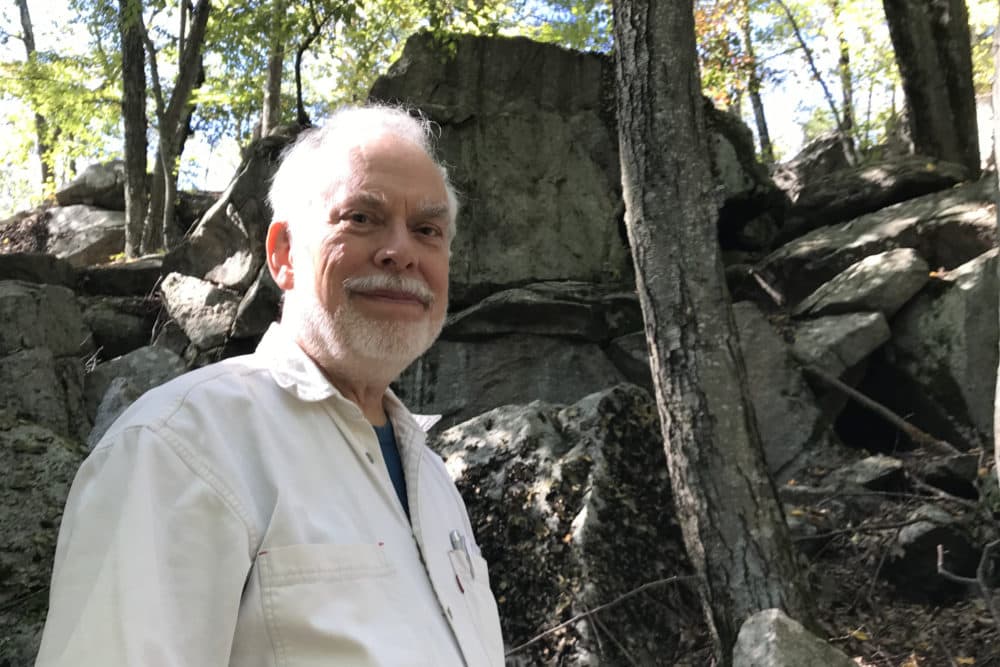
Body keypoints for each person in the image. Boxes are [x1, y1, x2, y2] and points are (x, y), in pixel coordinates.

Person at [35, 105, 504, 666]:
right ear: (283, 255)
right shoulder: (180, 446)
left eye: (427, 230)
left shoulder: (432, 479)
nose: (401, 252)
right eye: (361, 217)